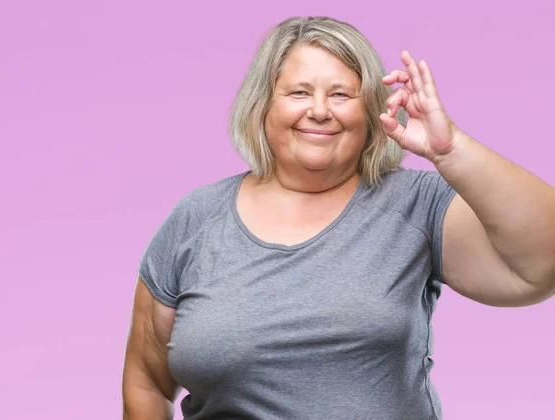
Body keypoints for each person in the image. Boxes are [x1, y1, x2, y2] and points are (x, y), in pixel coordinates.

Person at [121, 16, 555, 420]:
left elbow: (542, 263)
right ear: (263, 105)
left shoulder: (416, 204)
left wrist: (451, 150)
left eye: (341, 94)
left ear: (369, 112)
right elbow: (146, 378)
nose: (320, 110)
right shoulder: (195, 218)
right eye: (299, 92)